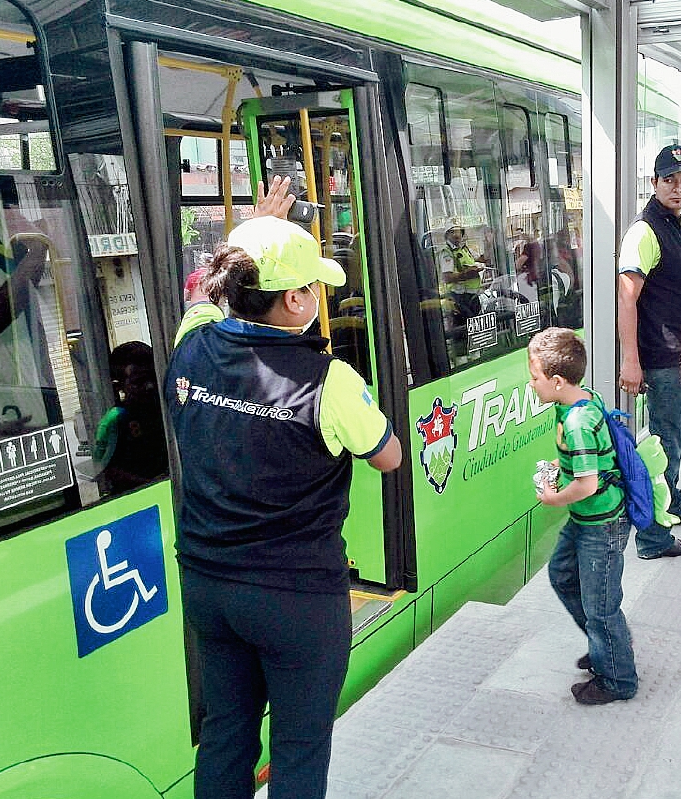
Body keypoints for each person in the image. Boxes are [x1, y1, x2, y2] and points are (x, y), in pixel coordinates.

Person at [164, 214, 402, 799]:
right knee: (298, 746)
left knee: (226, 733)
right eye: (314, 287)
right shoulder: (330, 380)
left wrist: (247, 230)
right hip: (296, 598)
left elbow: (203, 295)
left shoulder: (192, 345)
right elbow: (388, 456)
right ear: (295, 300)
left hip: (208, 586)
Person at [528, 327, 636, 705]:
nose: (532, 385)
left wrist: (552, 498)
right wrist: (562, 466)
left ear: (557, 381)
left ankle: (618, 679)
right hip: (587, 520)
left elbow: (587, 485)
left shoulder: (576, 422)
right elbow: (584, 462)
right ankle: (605, 643)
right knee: (562, 575)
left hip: (601, 524)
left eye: (535, 378)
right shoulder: (579, 399)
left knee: (601, 605)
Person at [617, 143, 681, 560]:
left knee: (678, 433)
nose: (678, 187)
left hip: (680, 352)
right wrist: (631, 361)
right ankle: (654, 538)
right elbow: (626, 298)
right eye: (669, 180)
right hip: (660, 354)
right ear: (653, 183)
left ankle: (674, 503)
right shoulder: (645, 230)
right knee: (663, 445)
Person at [93, 341, 167, 494]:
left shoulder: (168, 405)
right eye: (139, 381)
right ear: (118, 386)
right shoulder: (114, 420)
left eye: (153, 377)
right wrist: (152, 485)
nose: (149, 386)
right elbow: (108, 469)